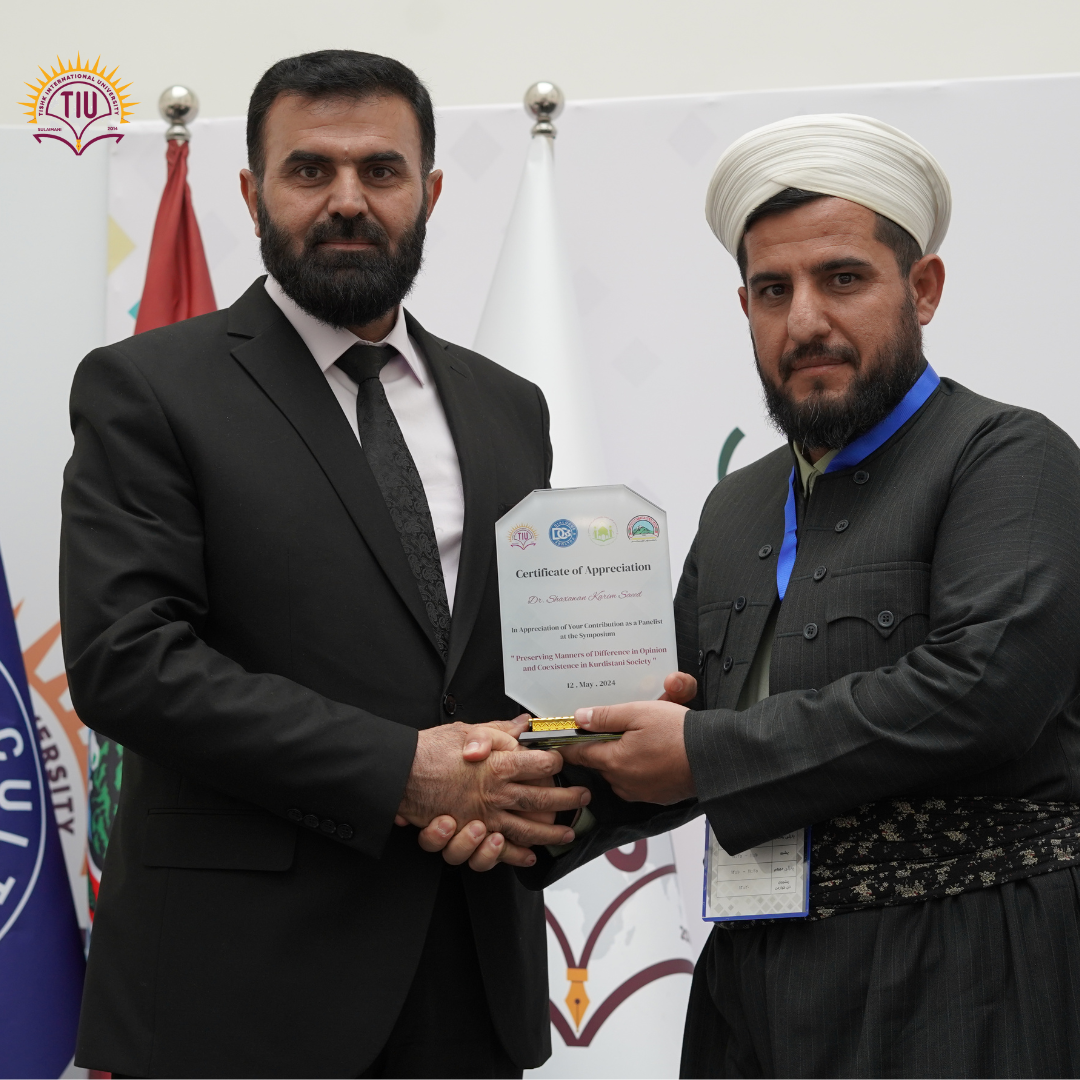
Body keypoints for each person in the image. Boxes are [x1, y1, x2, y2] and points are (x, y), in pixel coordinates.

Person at [438, 113, 1080, 1078]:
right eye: (774, 290)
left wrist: (702, 753)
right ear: (744, 305)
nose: (805, 321)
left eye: (843, 279)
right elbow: (657, 718)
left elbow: (987, 692)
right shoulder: (738, 506)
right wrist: (508, 796)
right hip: (753, 988)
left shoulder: (1008, 458)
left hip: (965, 975)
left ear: (925, 288)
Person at [61, 50, 590, 1079]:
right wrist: (403, 773)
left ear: (430, 192)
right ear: (251, 192)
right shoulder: (148, 389)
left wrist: (585, 745)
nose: (348, 200)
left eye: (381, 170)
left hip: (469, 969)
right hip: (238, 991)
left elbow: (509, 663)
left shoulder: (508, 406)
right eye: (310, 170)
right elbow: (130, 662)